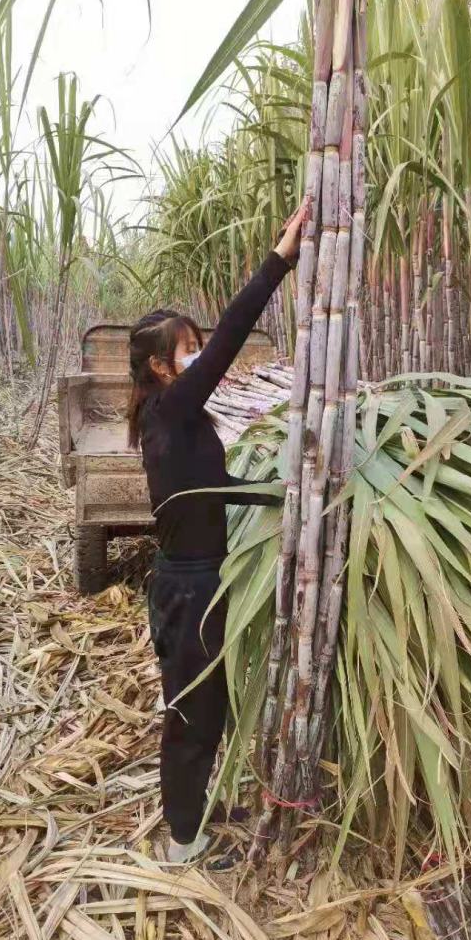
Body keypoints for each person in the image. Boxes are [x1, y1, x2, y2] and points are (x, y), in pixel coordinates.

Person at [127, 199, 309, 867]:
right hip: (189, 587)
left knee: (212, 704)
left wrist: (285, 494)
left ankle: (200, 809)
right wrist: (279, 261)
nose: (201, 352)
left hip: (204, 578)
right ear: (160, 366)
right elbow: (235, 332)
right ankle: (182, 840)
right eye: (188, 346)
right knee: (192, 716)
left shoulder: (183, 425)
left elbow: (215, 489)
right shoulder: (170, 410)